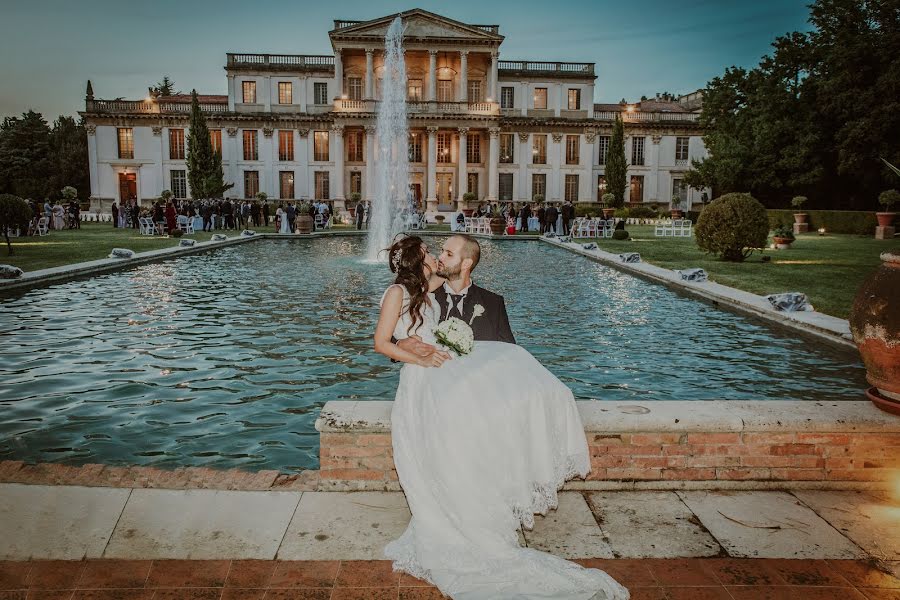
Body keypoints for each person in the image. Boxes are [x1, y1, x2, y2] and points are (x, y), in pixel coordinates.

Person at [374, 234, 629, 600]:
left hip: (445, 381)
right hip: (423, 383)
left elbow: (503, 349)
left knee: (449, 454)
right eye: (432, 253)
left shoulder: (441, 291)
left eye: (444, 253)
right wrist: (409, 350)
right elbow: (383, 340)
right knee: (423, 456)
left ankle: (468, 514)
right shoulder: (404, 293)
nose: (437, 258)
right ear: (418, 262)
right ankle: (440, 520)